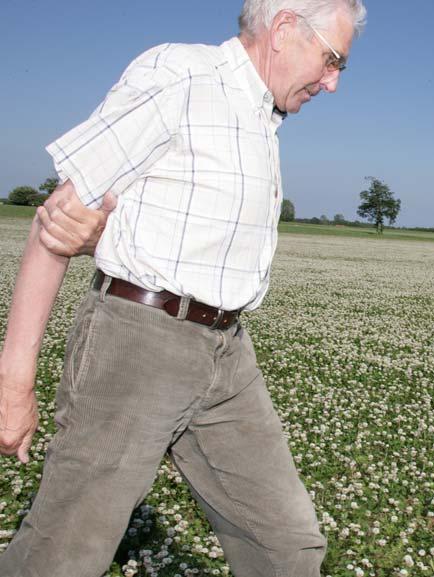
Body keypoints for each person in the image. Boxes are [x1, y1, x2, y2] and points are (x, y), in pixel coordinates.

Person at [0, 0, 366, 574]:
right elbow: (59, 220)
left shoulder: (260, 117)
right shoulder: (182, 75)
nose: (333, 81)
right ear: (285, 28)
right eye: (331, 59)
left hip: (226, 351)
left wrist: (109, 235)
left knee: (286, 546)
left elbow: (164, 220)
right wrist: (13, 383)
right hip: (137, 345)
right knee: (64, 554)